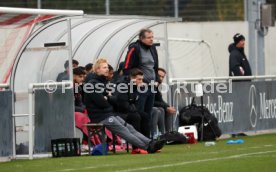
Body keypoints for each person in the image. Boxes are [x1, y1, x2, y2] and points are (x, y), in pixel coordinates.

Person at [83, 58, 165, 153]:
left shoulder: (103, 83)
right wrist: (108, 97)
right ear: (97, 69)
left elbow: (115, 99)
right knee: (124, 131)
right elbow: (102, 103)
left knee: (130, 128)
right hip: (100, 116)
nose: (107, 69)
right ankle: (147, 147)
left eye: (107, 67)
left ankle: (151, 142)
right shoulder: (92, 84)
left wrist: (108, 97)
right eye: (104, 67)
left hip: (109, 114)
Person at [123, 28, 160, 137]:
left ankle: (147, 140)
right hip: (140, 88)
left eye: (152, 37)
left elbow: (155, 67)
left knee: (148, 115)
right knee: (139, 114)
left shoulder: (153, 48)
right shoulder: (135, 49)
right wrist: (137, 82)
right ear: (141, 38)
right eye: (149, 38)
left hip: (152, 87)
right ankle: (139, 140)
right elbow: (126, 68)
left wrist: (157, 80)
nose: (151, 40)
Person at [153, 68, 176, 133]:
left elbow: (160, 100)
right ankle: (163, 134)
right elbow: (151, 102)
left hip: (155, 106)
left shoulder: (157, 86)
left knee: (169, 110)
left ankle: (169, 133)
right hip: (149, 107)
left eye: (162, 77)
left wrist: (168, 107)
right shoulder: (151, 85)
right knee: (161, 110)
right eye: (159, 76)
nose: (160, 78)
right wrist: (166, 107)